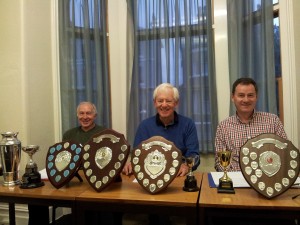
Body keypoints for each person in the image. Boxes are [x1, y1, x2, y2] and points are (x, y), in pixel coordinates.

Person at [28, 102, 119, 225]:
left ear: (95, 115)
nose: (85, 117)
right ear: (77, 115)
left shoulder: (105, 133)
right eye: (81, 113)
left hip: (95, 179)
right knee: (36, 201)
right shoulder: (69, 134)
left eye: (89, 113)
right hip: (74, 181)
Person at [122, 83, 200, 225]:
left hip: (176, 182)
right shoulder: (144, 125)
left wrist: (185, 166)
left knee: (182, 218)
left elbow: (194, 154)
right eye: (160, 101)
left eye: (168, 101)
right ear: (154, 103)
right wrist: (131, 163)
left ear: (176, 103)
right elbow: (136, 155)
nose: (164, 105)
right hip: (148, 183)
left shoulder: (188, 124)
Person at [214, 77, 287, 172]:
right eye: (241, 95)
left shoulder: (273, 121)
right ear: (233, 97)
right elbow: (220, 162)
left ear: (256, 97)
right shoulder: (223, 127)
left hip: (268, 179)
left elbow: (285, 152)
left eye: (250, 95)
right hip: (236, 180)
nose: (246, 100)